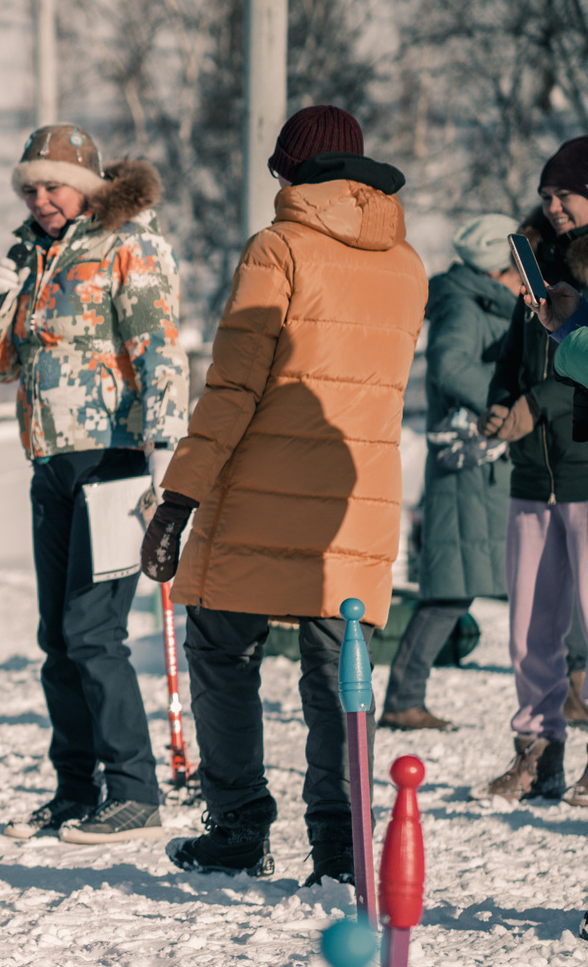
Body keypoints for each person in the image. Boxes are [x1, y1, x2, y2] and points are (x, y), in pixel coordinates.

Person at [140, 107, 425, 885]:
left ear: (292, 171)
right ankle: (339, 849)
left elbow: (234, 385)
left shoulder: (280, 248)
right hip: (354, 497)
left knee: (221, 646)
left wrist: (180, 498)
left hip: (260, 491)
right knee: (338, 672)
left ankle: (238, 826)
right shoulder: (407, 263)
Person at [0, 124, 189, 844]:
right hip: (52, 460)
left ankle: (134, 790)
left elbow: (160, 348)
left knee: (94, 632)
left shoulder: (129, 243)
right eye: (30, 188)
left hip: (117, 458)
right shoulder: (32, 255)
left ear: (88, 185)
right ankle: (75, 788)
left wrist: (167, 457)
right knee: (57, 638)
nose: (40, 199)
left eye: (53, 185)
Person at [381, 213, 522, 731]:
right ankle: (402, 698)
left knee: (471, 586)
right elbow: (448, 366)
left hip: (484, 472)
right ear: (499, 269)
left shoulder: (479, 299)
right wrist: (512, 392)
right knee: (448, 591)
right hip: (470, 468)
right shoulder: (466, 305)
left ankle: (404, 695)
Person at [481, 139, 588, 802]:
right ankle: (538, 752)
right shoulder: (535, 260)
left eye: (566, 195)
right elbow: (518, 352)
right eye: (546, 195)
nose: (552, 207)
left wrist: (537, 404)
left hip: (583, 464)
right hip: (532, 473)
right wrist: (500, 403)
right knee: (529, 627)